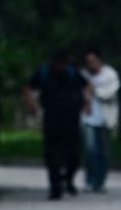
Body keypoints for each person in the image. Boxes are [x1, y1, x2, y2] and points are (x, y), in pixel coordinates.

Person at [23, 50, 86, 200]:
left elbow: (86, 85)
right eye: (59, 63)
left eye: (64, 63)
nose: (61, 66)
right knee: (51, 153)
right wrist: (31, 103)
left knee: (74, 155)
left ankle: (68, 179)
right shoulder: (44, 72)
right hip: (52, 116)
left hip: (72, 116)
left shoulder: (72, 72)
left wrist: (87, 100)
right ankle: (55, 186)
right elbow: (28, 87)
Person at [82, 48, 121, 193]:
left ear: (99, 60)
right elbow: (81, 93)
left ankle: (99, 181)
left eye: (92, 61)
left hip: (105, 119)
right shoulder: (85, 75)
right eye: (88, 62)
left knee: (103, 152)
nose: (90, 64)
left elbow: (110, 93)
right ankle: (90, 180)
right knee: (90, 150)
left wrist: (94, 90)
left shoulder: (110, 75)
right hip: (88, 118)